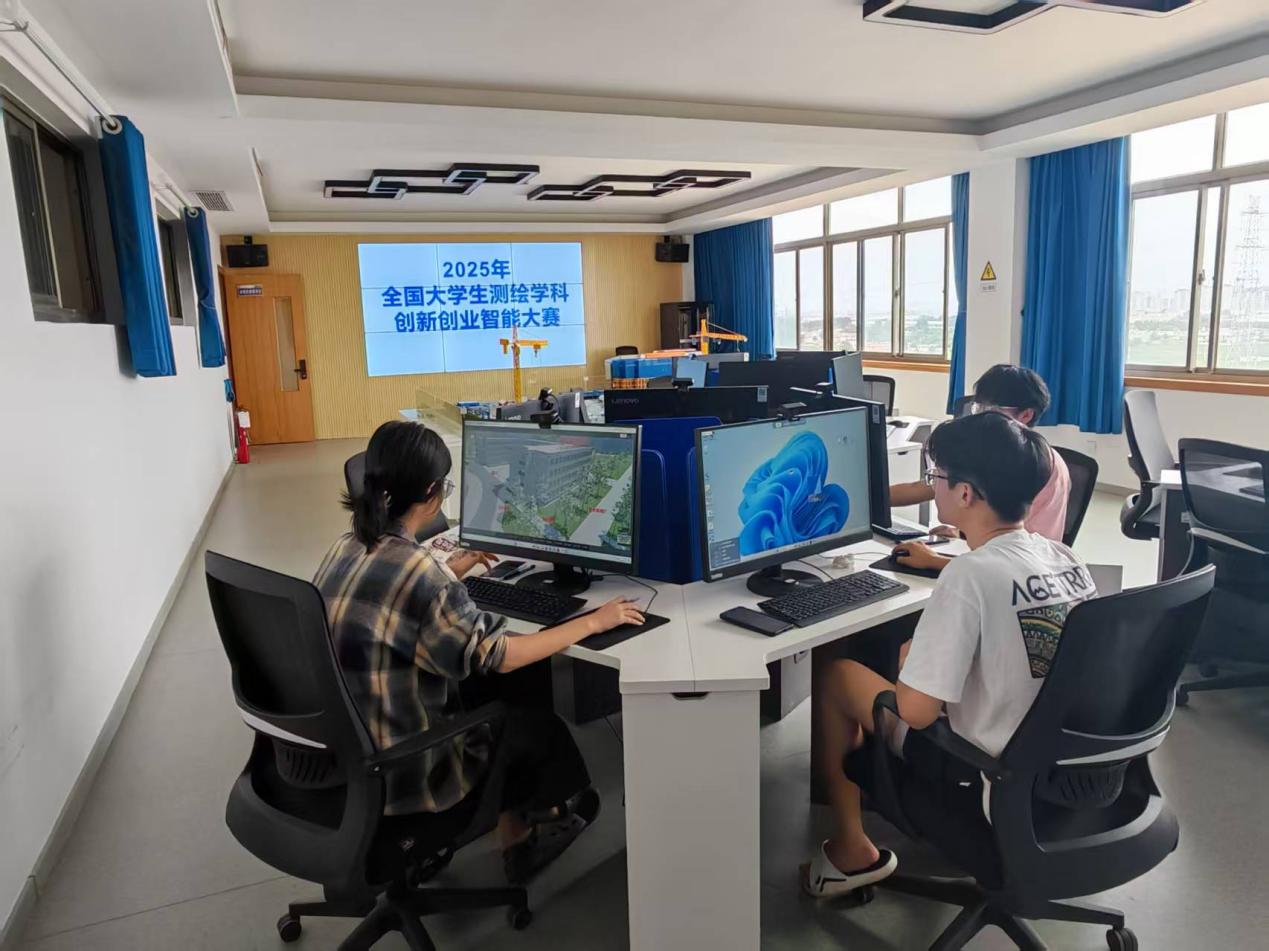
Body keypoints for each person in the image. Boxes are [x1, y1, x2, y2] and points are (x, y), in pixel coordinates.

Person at [314, 420, 644, 884]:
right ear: (431, 493)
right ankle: (523, 838)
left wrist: (449, 573)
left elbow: (392, 603)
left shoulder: (344, 547)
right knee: (533, 719)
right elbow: (502, 654)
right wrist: (593, 621)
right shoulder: (421, 576)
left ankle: (522, 818)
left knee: (487, 685)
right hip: (409, 774)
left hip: (346, 760)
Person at [801, 412, 1096, 898]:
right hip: (1065, 770)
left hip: (986, 775)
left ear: (965, 494)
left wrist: (908, 666)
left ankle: (852, 848)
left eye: (935, 475)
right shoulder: (1064, 558)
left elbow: (917, 712)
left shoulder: (970, 575)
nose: (931, 484)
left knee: (838, 674)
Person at [889, 364, 1071, 573]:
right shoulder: (989, 453)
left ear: (1026, 415)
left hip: (1021, 571)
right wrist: (866, 500)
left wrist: (934, 561)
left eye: (991, 409)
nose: (981, 416)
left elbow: (1023, 562)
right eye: (978, 407)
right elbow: (928, 486)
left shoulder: (1040, 466)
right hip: (988, 557)